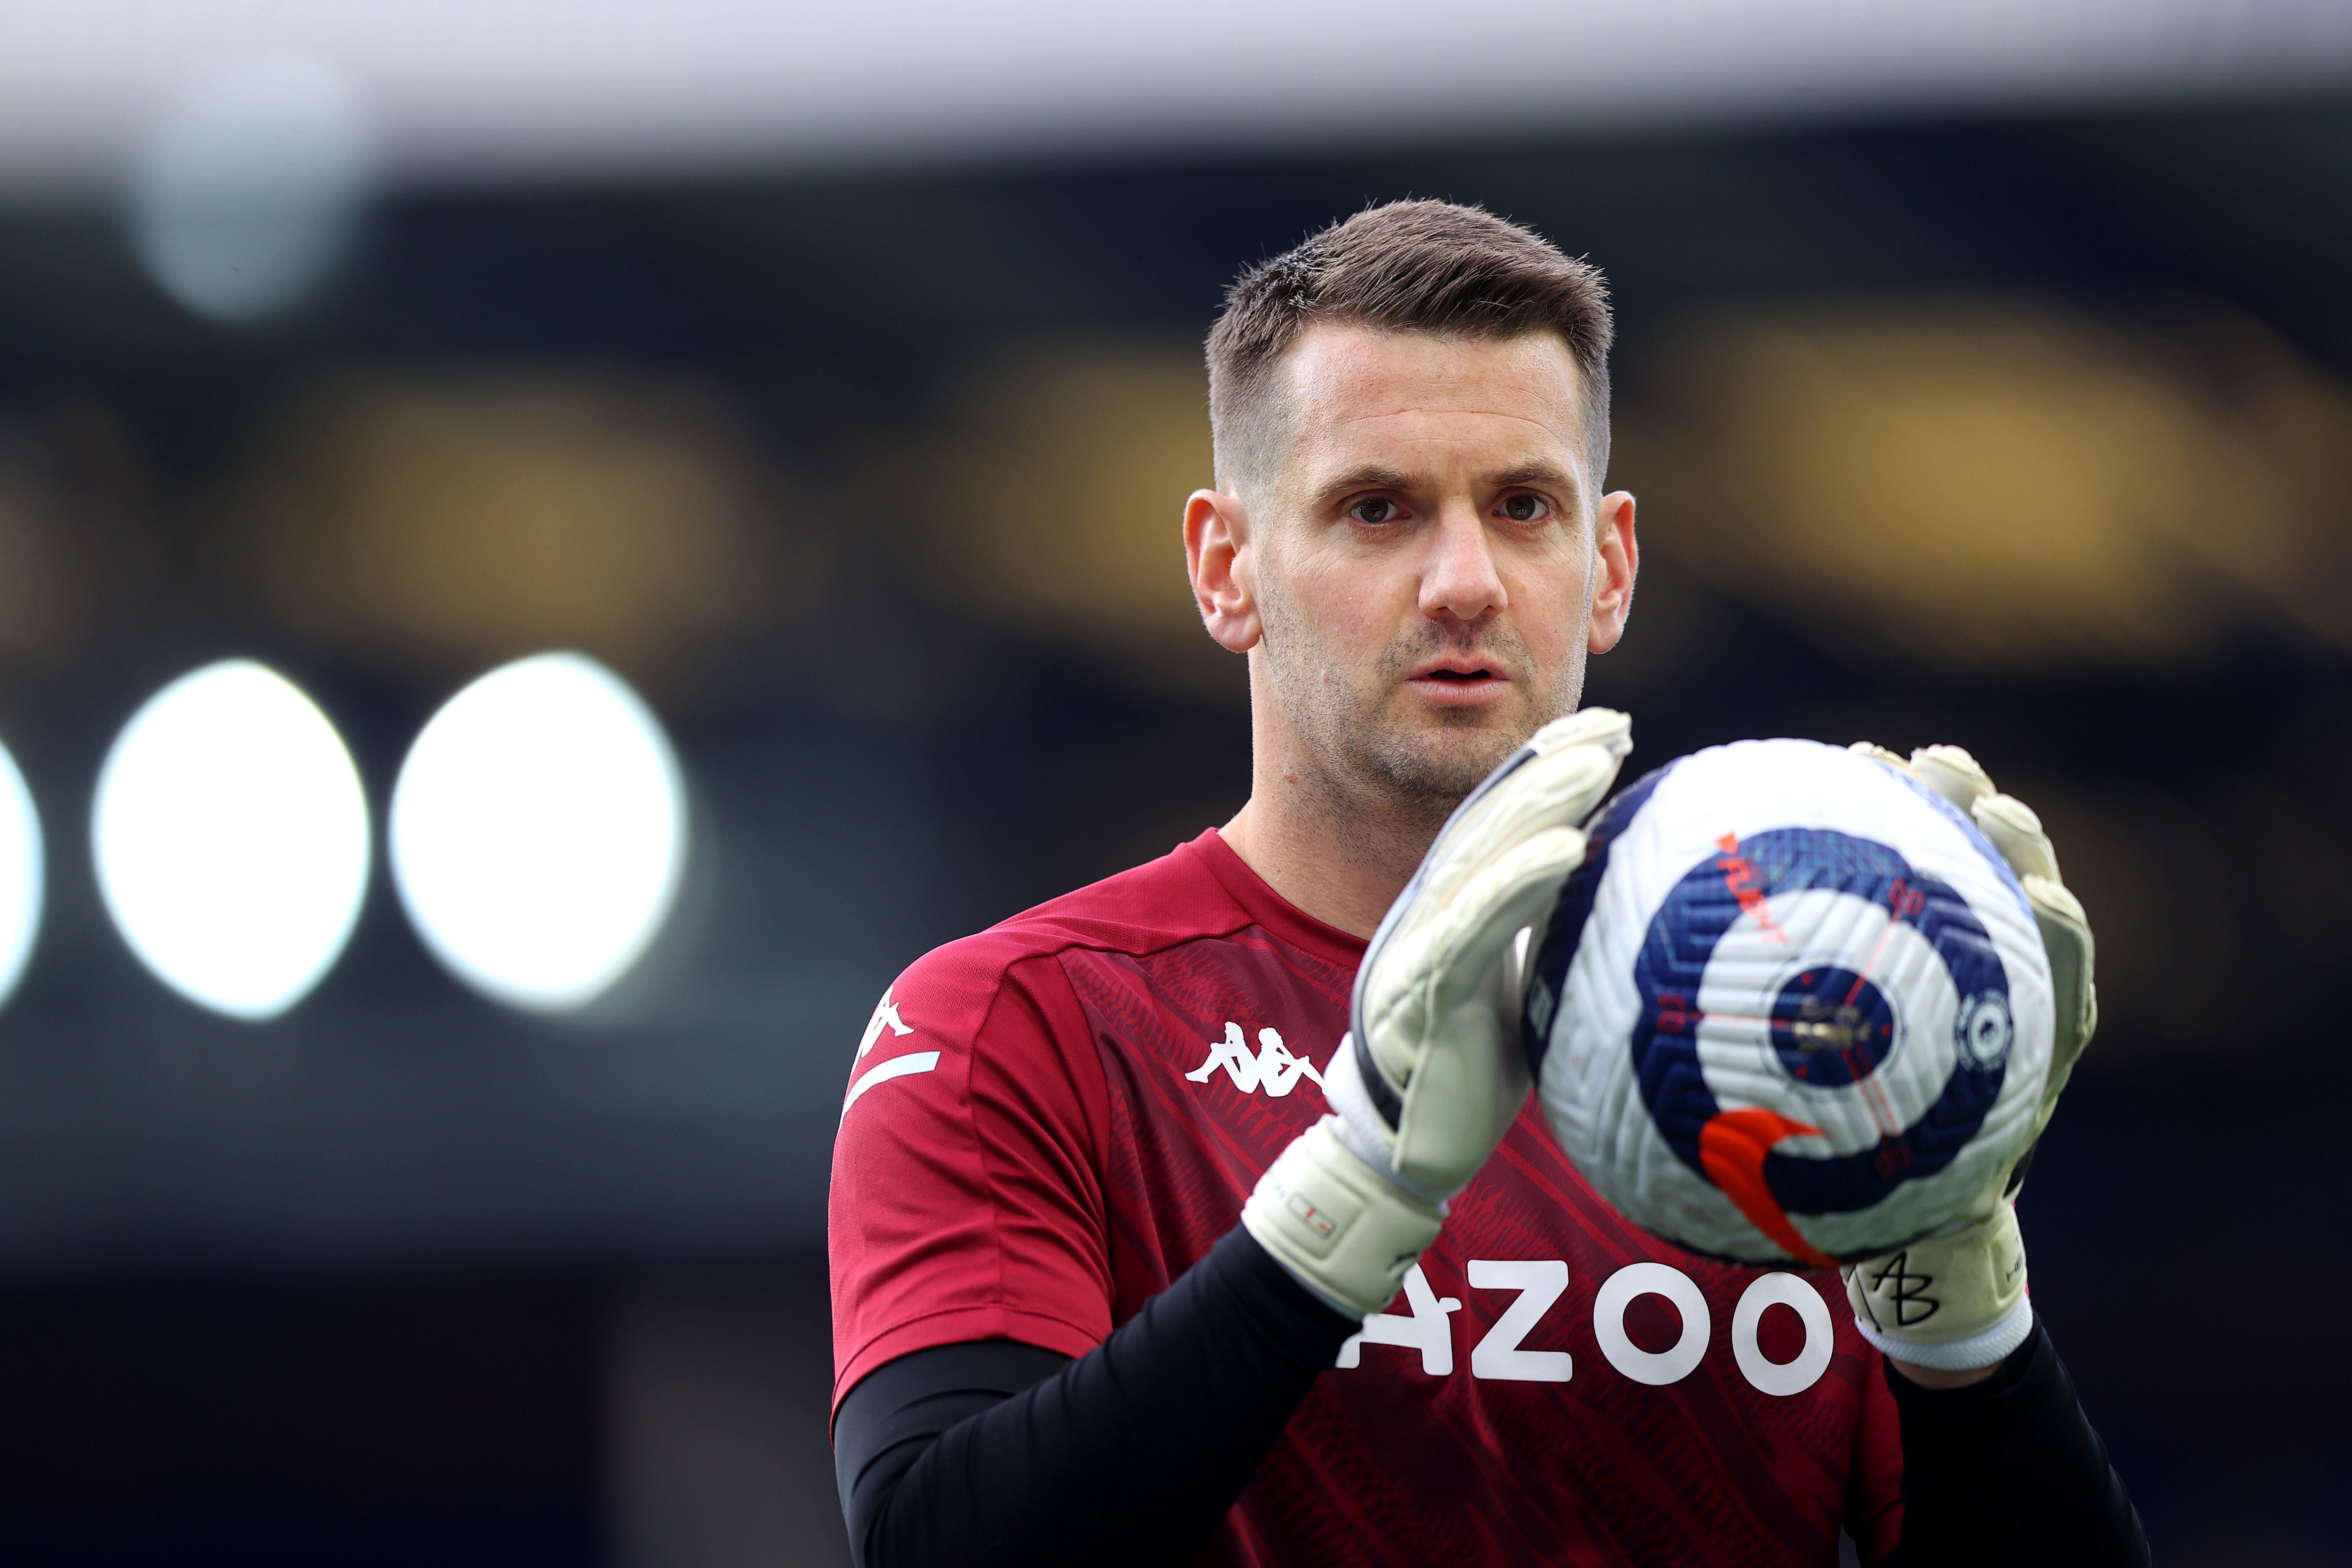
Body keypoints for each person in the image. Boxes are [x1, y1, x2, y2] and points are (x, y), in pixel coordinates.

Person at [827, 200, 2146, 1567]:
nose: (1460, 582)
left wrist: (1959, 1293)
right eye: (1375, 510)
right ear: (1227, 570)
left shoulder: (1816, 1032)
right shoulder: (1022, 1025)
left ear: (1608, 565)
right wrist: (1361, 1185)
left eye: (1521, 508)